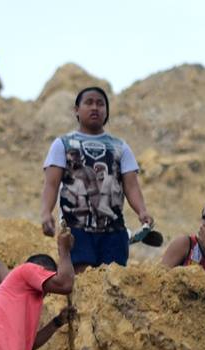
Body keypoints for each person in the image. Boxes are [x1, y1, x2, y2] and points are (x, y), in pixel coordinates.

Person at [40, 86, 153, 272]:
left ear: (106, 111)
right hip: (76, 228)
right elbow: (51, 184)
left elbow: (131, 185)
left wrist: (142, 211)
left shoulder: (120, 147)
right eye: (89, 103)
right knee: (81, 280)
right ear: (76, 110)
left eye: (100, 104)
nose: (95, 107)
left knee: (111, 282)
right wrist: (46, 213)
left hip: (114, 231)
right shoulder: (62, 144)